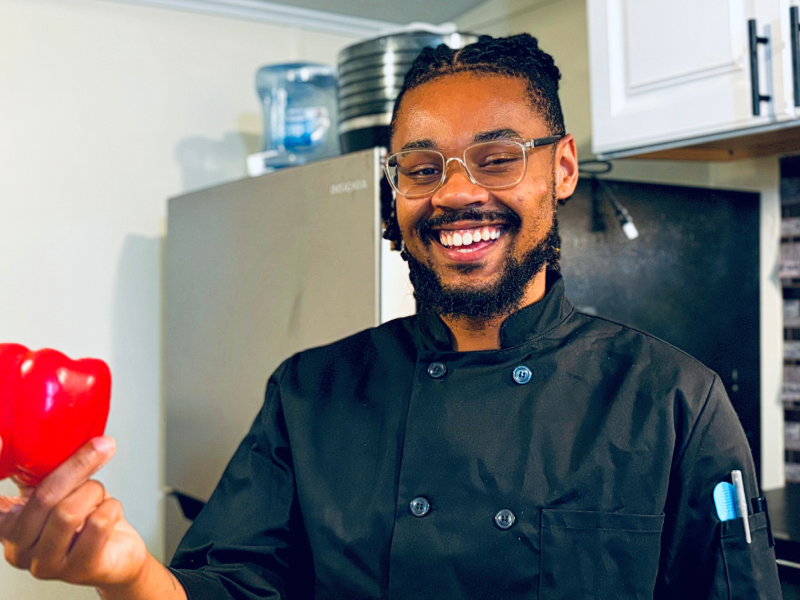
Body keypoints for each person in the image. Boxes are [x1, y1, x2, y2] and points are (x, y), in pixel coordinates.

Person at [0, 34, 781, 600]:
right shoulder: (310, 394)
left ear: (563, 167)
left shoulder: (674, 402)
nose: (453, 193)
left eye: (498, 157)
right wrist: (128, 573)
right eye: (421, 166)